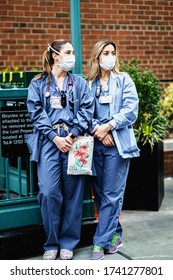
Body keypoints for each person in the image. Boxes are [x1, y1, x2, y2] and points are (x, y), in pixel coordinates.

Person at [27, 40, 94, 260]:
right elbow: (36, 113)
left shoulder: (79, 83)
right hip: (49, 141)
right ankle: (51, 243)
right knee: (48, 192)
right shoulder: (38, 84)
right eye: (68, 52)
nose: (72, 56)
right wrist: (54, 137)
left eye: (73, 52)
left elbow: (86, 110)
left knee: (74, 194)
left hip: (74, 142)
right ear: (55, 55)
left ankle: (68, 242)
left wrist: (72, 135)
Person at [86, 40, 140, 260]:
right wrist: (99, 130)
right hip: (96, 143)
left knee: (111, 193)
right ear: (97, 57)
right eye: (105, 53)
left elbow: (131, 110)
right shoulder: (89, 83)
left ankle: (99, 243)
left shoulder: (124, 79)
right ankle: (114, 235)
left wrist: (109, 126)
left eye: (113, 53)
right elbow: (84, 112)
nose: (110, 56)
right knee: (100, 194)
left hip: (118, 146)